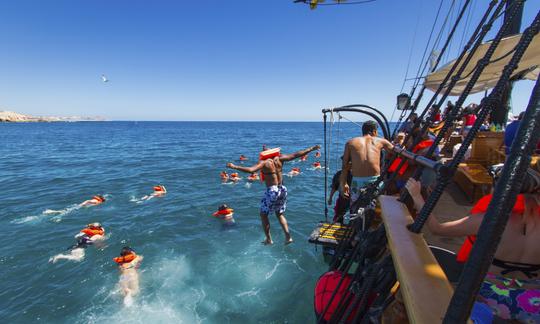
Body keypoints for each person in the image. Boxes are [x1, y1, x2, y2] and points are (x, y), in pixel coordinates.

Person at [405, 162, 540, 322]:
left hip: (490, 295)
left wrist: (417, 197)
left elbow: (437, 228)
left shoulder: (490, 219)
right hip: (533, 299)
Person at [227, 144, 320, 245]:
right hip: (282, 189)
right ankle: (288, 237)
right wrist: (311, 148)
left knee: (263, 215)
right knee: (279, 214)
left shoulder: (264, 162)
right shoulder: (279, 158)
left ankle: (268, 239)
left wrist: (234, 166)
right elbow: (296, 155)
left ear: (264, 154)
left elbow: (251, 170)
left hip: (272, 190)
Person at [341, 121, 393, 204]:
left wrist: (343, 184)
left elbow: (344, 166)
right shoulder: (381, 141)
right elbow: (395, 152)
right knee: (376, 209)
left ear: (363, 131)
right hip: (375, 181)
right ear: (375, 131)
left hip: (357, 182)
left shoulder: (350, 142)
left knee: (355, 208)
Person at [328, 158, 352, 223]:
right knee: (339, 215)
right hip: (343, 199)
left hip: (353, 198)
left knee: (354, 215)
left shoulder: (356, 174)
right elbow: (334, 187)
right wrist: (330, 198)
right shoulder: (339, 174)